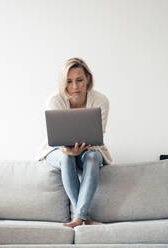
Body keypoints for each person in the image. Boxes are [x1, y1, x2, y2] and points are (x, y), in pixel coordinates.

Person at [35, 57, 112, 228]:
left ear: (88, 79)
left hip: (89, 149)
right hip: (56, 149)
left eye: (79, 80)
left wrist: (81, 147)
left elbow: (98, 136)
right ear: (64, 83)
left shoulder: (100, 101)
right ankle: (85, 217)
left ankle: (79, 217)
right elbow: (54, 138)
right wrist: (67, 150)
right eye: (69, 81)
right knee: (66, 158)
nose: (75, 86)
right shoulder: (54, 100)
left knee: (92, 156)